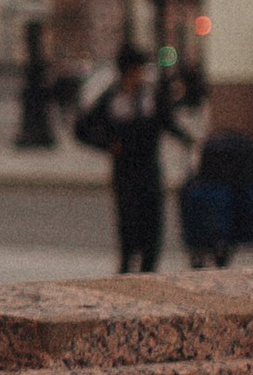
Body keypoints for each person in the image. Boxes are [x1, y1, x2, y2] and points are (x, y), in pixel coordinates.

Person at [76, 44, 177, 274]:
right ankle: (126, 272)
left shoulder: (150, 95)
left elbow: (167, 122)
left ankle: (148, 273)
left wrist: (188, 140)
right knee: (128, 227)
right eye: (139, 69)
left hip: (149, 169)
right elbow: (82, 129)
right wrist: (108, 145)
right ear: (128, 71)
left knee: (152, 226)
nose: (143, 74)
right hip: (125, 172)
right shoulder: (112, 98)